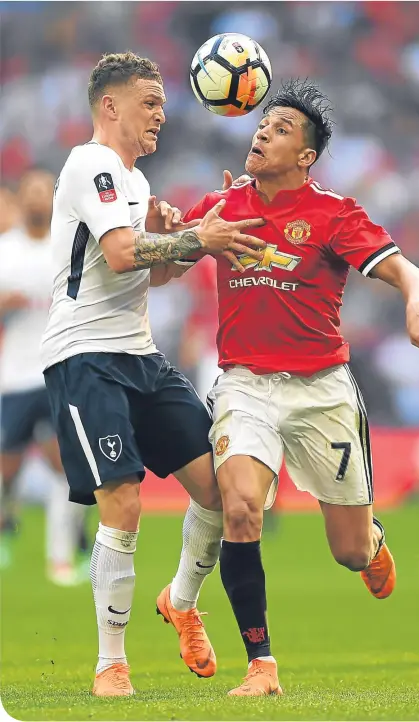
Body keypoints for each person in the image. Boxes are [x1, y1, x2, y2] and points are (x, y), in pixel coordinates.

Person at [179, 79, 419, 696]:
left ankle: (371, 541)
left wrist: (418, 306)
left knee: (349, 552)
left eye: (281, 129)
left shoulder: (333, 214)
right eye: (262, 124)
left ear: (306, 156)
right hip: (244, 383)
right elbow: (165, 268)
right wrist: (177, 234)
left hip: (321, 391)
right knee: (242, 508)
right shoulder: (221, 205)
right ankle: (261, 665)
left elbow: (405, 270)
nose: (262, 132)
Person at [40, 51, 266, 697]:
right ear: (110, 106)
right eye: (150, 103)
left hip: (140, 355)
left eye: (162, 104)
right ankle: (112, 662)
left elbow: (154, 269)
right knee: (125, 500)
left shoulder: (136, 184)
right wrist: (198, 238)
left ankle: (181, 599)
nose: (161, 115)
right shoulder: (92, 163)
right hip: (84, 357)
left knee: (223, 494)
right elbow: (119, 250)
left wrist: (193, 233)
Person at [0, 170, 88, 585]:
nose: (37, 199)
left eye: (43, 192)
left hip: (56, 371)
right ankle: (6, 527)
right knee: (7, 470)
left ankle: (61, 557)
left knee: (63, 466)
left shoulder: (65, 248)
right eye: (30, 191)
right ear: (21, 200)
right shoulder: (6, 250)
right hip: (13, 377)